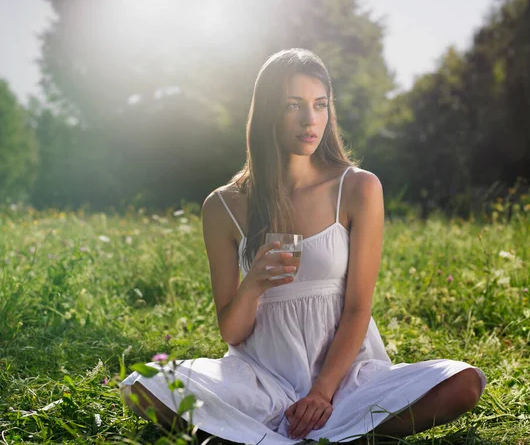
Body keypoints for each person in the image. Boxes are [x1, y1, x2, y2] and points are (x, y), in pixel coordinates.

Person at [121, 48, 486, 444]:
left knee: (463, 383)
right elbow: (232, 331)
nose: (309, 119)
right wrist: (254, 284)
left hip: (345, 380)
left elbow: (358, 307)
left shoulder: (358, 187)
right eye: (293, 105)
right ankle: (320, 432)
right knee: (143, 386)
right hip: (262, 378)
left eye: (319, 105)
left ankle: (274, 433)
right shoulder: (223, 205)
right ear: (267, 114)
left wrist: (321, 392)